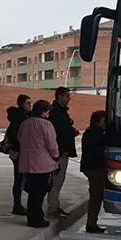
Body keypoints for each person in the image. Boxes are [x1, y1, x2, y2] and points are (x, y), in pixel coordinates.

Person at [18, 100, 59, 228]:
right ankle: (37, 218)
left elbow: (19, 138)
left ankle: (32, 216)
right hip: (42, 163)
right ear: (44, 111)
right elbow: (51, 144)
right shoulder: (46, 125)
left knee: (32, 192)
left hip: (27, 162)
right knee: (40, 193)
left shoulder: (25, 123)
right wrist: (56, 156)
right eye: (47, 111)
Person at [47, 87, 79, 218]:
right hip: (59, 153)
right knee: (57, 181)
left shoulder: (58, 111)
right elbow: (60, 132)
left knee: (58, 180)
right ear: (60, 96)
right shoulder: (56, 112)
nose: (69, 98)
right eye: (67, 96)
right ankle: (52, 208)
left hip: (61, 151)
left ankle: (55, 205)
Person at [80, 110, 107, 233]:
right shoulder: (97, 134)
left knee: (95, 195)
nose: (105, 123)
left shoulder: (89, 132)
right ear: (98, 121)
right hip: (95, 168)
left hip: (89, 167)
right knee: (96, 196)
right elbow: (96, 151)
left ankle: (92, 222)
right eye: (103, 121)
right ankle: (91, 224)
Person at [6, 94, 32, 215]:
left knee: (21, 178)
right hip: (18, 152)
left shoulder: (24, 116)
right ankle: (17, 204)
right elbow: (16, 135)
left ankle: (18, 203)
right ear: (22, 104)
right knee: (20, 179)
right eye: (27, 103)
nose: (30, 105)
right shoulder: (20, 118)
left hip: (18, 151)